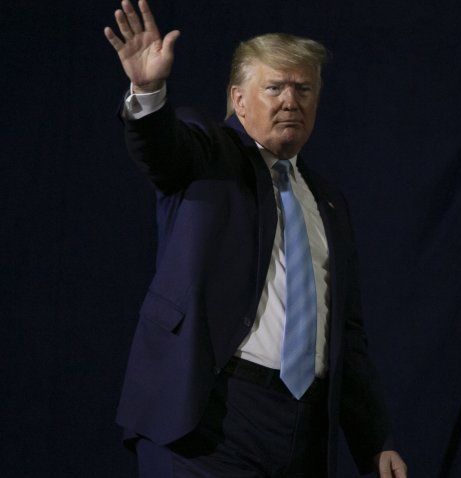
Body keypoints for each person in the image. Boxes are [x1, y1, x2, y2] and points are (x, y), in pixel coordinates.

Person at [104, 1, 408, 476]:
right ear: (239, 100)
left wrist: (375, 439)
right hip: (204, 420)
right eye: (275, 88)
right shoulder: (206, 152)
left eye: (303, 89)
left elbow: (345, 334)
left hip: (299, 431)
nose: (291, 100)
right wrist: (148, 90)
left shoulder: (328, 202)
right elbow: (160, 150)